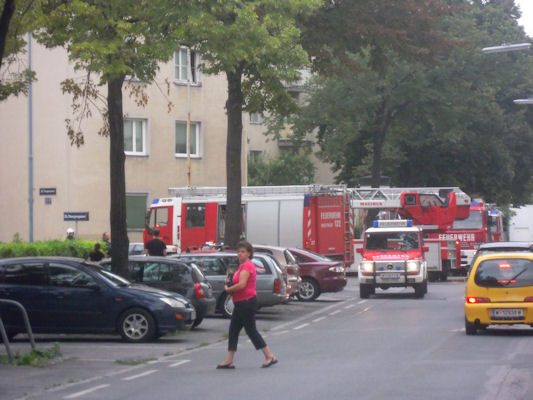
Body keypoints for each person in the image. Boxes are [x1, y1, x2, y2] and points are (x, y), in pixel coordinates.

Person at [217, 240, 277, 369]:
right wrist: (229, 282)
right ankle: (229, 360)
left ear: (249, 253)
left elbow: (242, 285)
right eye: (238, 251)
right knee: (233, 330)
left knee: (251, 331)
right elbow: (237, 282)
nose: (240, 254)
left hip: (246, 302)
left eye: (243, 252)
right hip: (240, 303)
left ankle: (269, 356)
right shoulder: (241, 266)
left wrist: (228, 290)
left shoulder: (248, 266)